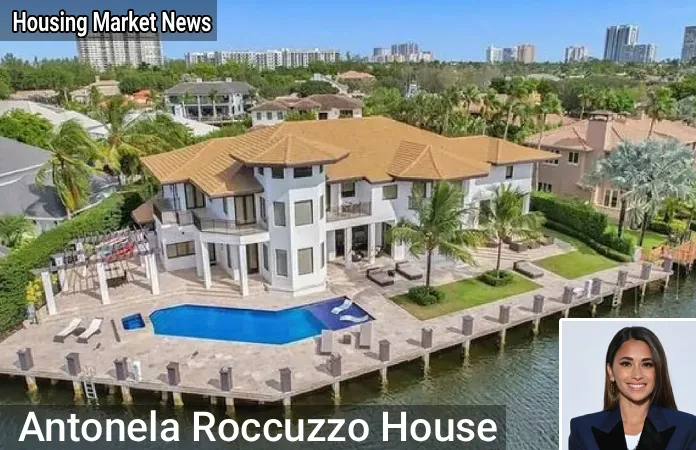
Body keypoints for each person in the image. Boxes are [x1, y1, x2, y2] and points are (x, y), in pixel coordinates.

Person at [568, 326, 696, 450]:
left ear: (658, 371)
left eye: (647, 364)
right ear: (610, 371)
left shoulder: (687, 428)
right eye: (626, 364)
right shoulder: (582, 430)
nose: (637, 375)